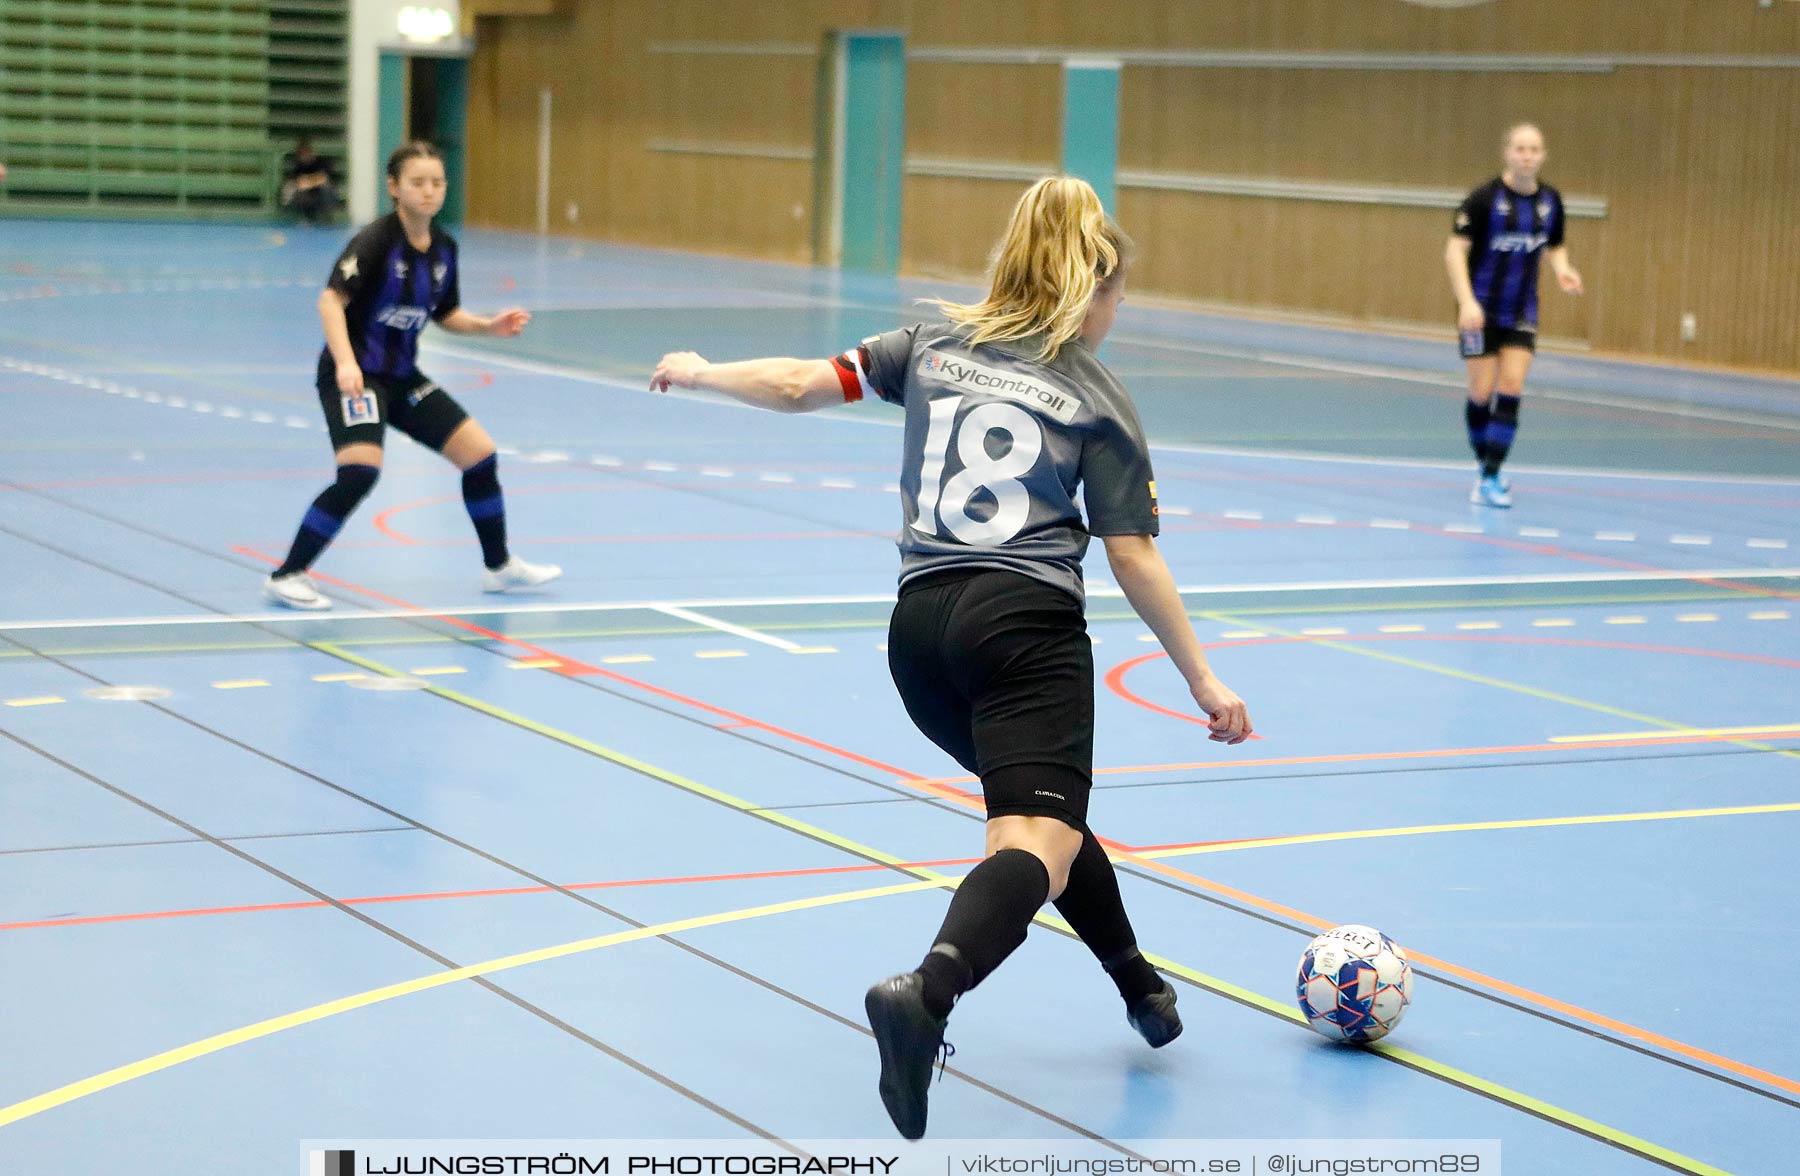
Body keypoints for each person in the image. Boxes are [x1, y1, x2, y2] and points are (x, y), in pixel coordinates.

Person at [651, 176, 1252, 1139]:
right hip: (1023, 628)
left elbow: (802, 384)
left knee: (1043, 818)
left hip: (920, 636)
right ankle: (925, 995)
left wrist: (700, 369)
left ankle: (1140, 985)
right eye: (1116, 299)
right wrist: (1203, 676)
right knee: (1032, 840)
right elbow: (1132, 551)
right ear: (1091, 288)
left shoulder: (929, 345)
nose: (1115, 318)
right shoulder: (1096, 396)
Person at [263, 141, 560, 610]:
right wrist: (344, 363)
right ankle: (288, 574)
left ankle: (499, 567)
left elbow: (446, 313)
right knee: (360, 470)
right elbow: (330, 301)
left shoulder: (444, 248)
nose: (429, 191)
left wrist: (488, 327)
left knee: (480, 456)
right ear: (394, 188)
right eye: (417, 182)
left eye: (437, 182)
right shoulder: (376, 241)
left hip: (402, 378)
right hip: (357, 377)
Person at [1446, 122, 1582, 508]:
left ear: (1543, 155)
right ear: (1507, 153)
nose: (1527, 156)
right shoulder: (1484, 199)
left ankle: (1490, 476)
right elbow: (1454, 251)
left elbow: (1555, 245)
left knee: (1511, 387)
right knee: (1481, 393)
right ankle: (1486, 467)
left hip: (1522, 310)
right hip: (1479, 311)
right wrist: (1467, 302)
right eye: (1520, 149)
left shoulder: (1551, 202)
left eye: (1534, 149)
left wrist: (1563, 270)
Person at [279, 136, 341, 225]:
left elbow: (323, 179)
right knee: (298, 193)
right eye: (301, 154)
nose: (304, 156)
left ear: (311, 152)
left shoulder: (321, 163)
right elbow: (299, 182)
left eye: (305, 153)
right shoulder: (299, 167)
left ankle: (327, 216)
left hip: (322, 193)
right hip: (309, 194)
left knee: (327, 189)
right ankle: (307, 217)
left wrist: (309, 182)